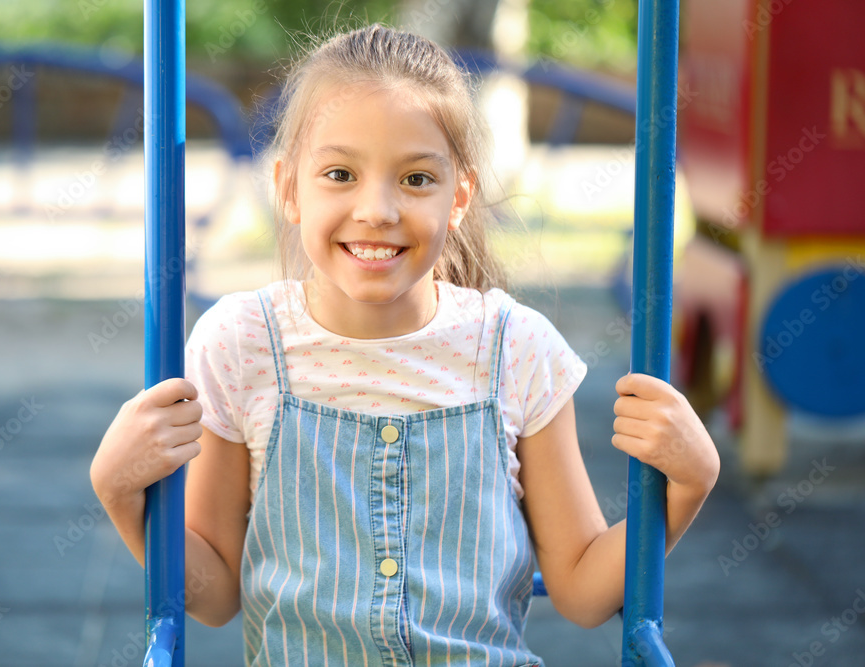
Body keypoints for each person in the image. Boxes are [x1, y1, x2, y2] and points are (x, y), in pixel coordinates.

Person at [90, 23, 720, 665]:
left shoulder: (514, 347)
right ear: (287, 188)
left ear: (459, 197)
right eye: (340, 173)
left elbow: (583, 588)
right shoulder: (243, 344)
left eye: (417, 180)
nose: (378, 209)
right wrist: (121, 496)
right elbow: (217, 589)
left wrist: (687, 486)